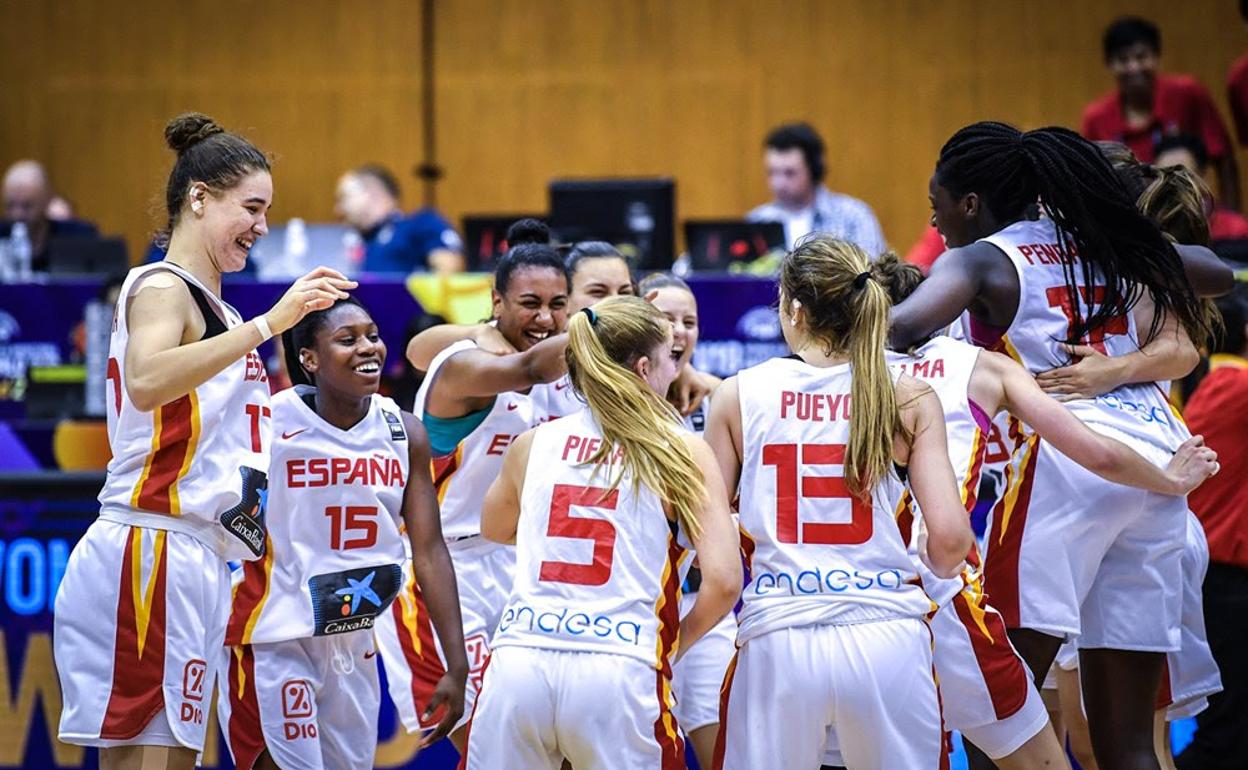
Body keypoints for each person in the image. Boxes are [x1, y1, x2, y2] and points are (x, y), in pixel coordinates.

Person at [892, 121, 1230, 770]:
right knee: (1129, 743)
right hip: (1157, 473)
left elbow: (904, 326)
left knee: (999, 712)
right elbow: (1215, 274)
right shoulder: (1100, 243)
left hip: (1065, 463)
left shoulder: (984, 258)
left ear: (971, 204)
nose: (936, 228)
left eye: (938, 211)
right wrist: (1133, 244)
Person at [52, 112, 355, 770]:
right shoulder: (164, 287)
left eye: (267, 211)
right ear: (199, 198)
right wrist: (274, 324)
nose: (262, 227)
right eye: (251, 207)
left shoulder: (223, 314)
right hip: (152, 547)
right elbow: (148, 379)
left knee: (164, 757)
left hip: (193, 555)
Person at [704, 235, 973, 769]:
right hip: (886, 634)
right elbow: (950, 542)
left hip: (779, 638)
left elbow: (704, 537)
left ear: (794, 310)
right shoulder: (908, 394)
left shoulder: (737, 393)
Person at [462, 296, 741, 769]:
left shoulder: (534, 442)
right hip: (619, 664)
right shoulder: (680, 450)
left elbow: (495, 527)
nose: (676, 372)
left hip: (522, 660)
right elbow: (725, 581)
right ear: (644, 367)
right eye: (671, 359)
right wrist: (672, 645)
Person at [217, 298, 468, 769]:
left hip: (354, 636)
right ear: (309, 359)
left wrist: (457, 663)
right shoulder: (269, 425)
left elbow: (430, 551)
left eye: (372, 335)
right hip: (273, 637)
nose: (367, 348)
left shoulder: (403, 431)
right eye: (347, 339)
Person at [376, 241, 571, 753]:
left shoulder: (565, 377)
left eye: (558, 304)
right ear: (498, 302)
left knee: (542, 745)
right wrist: (606, 322)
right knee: (488, 746)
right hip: (440, 566)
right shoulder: (470, 365)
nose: (545, 317)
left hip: (516, 564)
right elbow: (526, 368)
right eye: (530, 303)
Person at [637, 272, 733, 768]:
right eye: (665, 319)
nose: (678, 331)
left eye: (688, 321)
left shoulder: (721, 401)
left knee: (723, 747)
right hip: (634, 603)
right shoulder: (620, 408)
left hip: (702, 601)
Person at [1175, 286, 1248, 770]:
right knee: (1229, 739)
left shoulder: (1217, 387)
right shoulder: (1234, 388)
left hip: (1224, 581)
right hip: (1227, 585)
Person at [1081, 16, 1239, 209]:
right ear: (1109, 64)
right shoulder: (1096, 118)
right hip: (1130, 224)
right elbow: (1090, 182)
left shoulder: (1187, 93)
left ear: (1156, 57)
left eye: (1141, 56)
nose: (1133, 67)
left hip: (1190, 216)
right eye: (1123, 59)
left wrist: (1231, 219)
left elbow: (1223, 159)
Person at [746, 122, 887, 255]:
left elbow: (874, 273)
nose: (779, 183)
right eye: (772, 172)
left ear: (814, 170)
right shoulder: (757, 221)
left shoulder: (853, 216)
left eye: (790, 173)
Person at [334, 164, 464, 274]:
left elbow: (449, 269)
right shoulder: (351, 239)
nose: (337, 209)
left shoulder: (421, 224)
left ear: (372, 194)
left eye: (343, 198)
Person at [2, 159, 97, 271]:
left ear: (47, 200)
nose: (17, 215)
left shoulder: (79, 239)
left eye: (27, 206)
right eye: (10, 206)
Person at [1153, 134, 1248, 241]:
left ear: (1204, 177)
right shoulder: (1150, 235)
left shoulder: (1236, 230)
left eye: (1183, 177)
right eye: (1163, 177)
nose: (1172, 186)